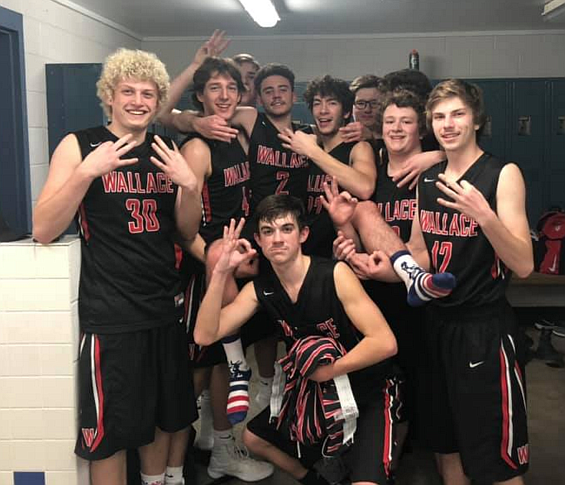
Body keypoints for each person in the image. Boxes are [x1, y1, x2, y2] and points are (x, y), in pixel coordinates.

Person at [337, 79, 533, 485]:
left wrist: (484, 216)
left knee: (497, 458)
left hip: (483, 330)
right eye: (440, 116)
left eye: (458, 114)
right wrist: (383, 271)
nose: (448, 124)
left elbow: (525, 264)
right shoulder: (429, 179)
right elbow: (420, 253)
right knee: (446, 445)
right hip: (436, 325)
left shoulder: (502, 174)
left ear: (476, 119)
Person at [33, 48, 201, 485]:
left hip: (164, 307)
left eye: (148, 93)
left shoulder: (167, 150)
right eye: (128, 91)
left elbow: (185, 231)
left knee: (164, 420)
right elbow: (44, 229)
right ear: (110, 95)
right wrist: (87, 173)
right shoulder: (79, 145)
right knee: (110, 435)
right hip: (111, 315)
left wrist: (189, 187)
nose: (138, 101)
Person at [194, 195, 398, 485]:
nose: (277, 239)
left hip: (365, 390)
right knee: (254, 438)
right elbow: (204, 335)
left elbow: (384, 342)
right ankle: (317, 479)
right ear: (259, 242)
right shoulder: (259, 289)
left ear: (303, 234)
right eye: (268, 231)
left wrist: (328, 370)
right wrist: (222, 272)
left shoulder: (334, 274)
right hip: (312, 393)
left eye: (286, 229)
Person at [174, 56, 274, 482]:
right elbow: (184, 230)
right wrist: (217, 266)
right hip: (207, 268)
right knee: (195, 372)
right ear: (200, 95)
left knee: (217, 366)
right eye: (213, 88)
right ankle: (171, 468)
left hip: (236, 262)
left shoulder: (241, 127)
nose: (224, 96)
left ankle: (220, 451)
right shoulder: (198, 147)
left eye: (230, 88)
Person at [278, 74, 376, 257]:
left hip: (343, 253)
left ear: (346, 112)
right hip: (305, 252)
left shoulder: (358, 147)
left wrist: (313, 152)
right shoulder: (306, 143)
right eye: (317, 103)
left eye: (331, 103)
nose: (323, 110)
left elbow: (365, 188)